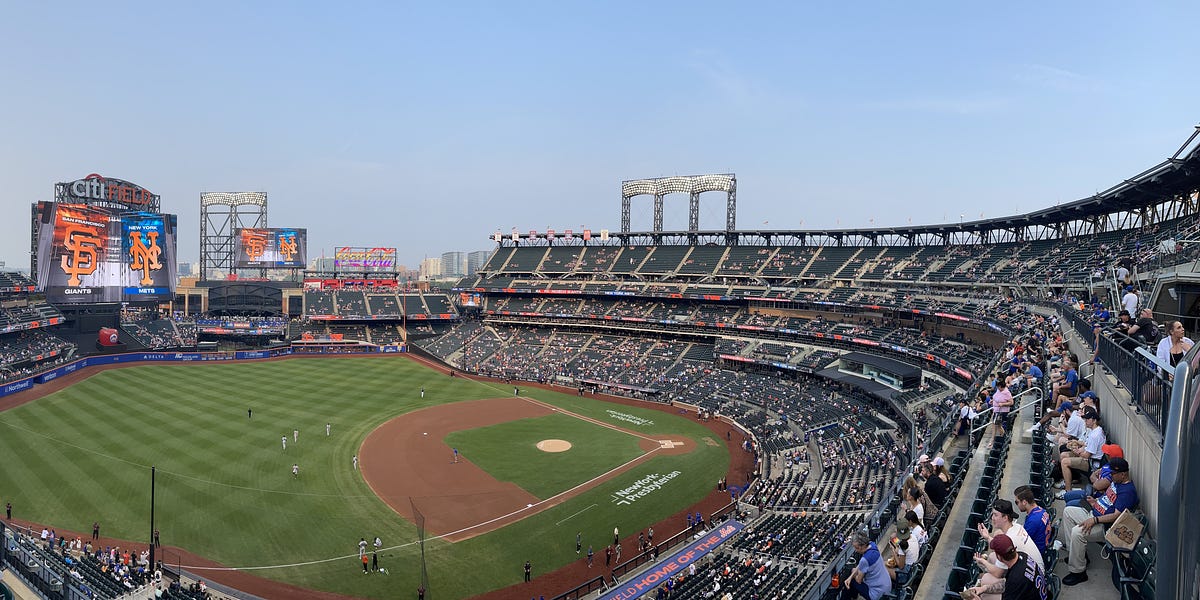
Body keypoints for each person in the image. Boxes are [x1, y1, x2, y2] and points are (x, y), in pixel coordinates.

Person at [1062, 457, 1138, 585]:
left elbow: (1116, 516)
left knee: (1077, 532)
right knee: (1068, 511)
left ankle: (1078, 572)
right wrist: (1095, 501)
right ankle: (1076, 555)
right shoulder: (1116, 482)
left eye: (1113, 473)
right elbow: (1108, 499)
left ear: (1123, 474)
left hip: (1105, 526)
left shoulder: (1128, 491)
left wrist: (1094, 520)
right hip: (1094, 512)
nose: (1111, 476)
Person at [961, 533, 1048, 600]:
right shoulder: (1022, 556)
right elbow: (1006, 583)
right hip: (1039, 595)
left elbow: (1012, 583)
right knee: (985, 592)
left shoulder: (1016, 579)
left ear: (999, 557)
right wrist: (984, 588)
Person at [1059, 407, 1105, 492]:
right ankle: (1070, 480)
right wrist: (1077, 445)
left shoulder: (1095, 435)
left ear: (1094, 421)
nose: (1085, 421)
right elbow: (1086, 444)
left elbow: (1087, 455)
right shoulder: (1095, 430)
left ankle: (1067, 491)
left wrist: (1075, 451)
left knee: (1064, 462)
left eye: (1087, 419)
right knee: (1063, 455)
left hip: (1092, 463)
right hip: (1089, 457)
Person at [839, 530, 890, 600]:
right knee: (852, 576)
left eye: (857, 548)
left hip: (877, 594)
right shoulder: (873, 545)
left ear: (862, 546)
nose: (856, 550)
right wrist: (850, 577)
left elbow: (859, 580)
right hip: (886, 587)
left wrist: (853, 577)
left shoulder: (865, 560)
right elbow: (861, 565)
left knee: (852, 583)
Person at [1013, 486, 1051, 560]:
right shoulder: (1041, 510)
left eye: (1017, 502)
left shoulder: (1033, 520)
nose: (1016, 505)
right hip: (1043, 545)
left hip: (1036, 554)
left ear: (1024, 502)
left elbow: (1022, 541)